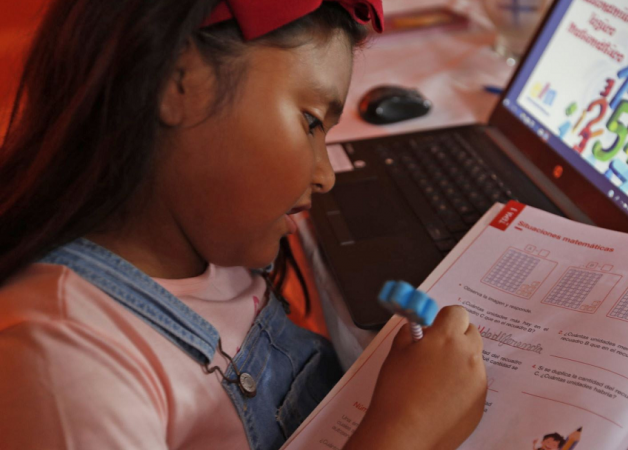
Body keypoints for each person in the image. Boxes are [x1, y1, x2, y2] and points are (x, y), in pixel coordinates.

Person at [0, 1, 487, 449]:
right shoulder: (63, 366)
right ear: (177, 82)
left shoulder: (209, 251)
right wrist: (406, 431)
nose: (325, 175)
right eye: (311, 122)